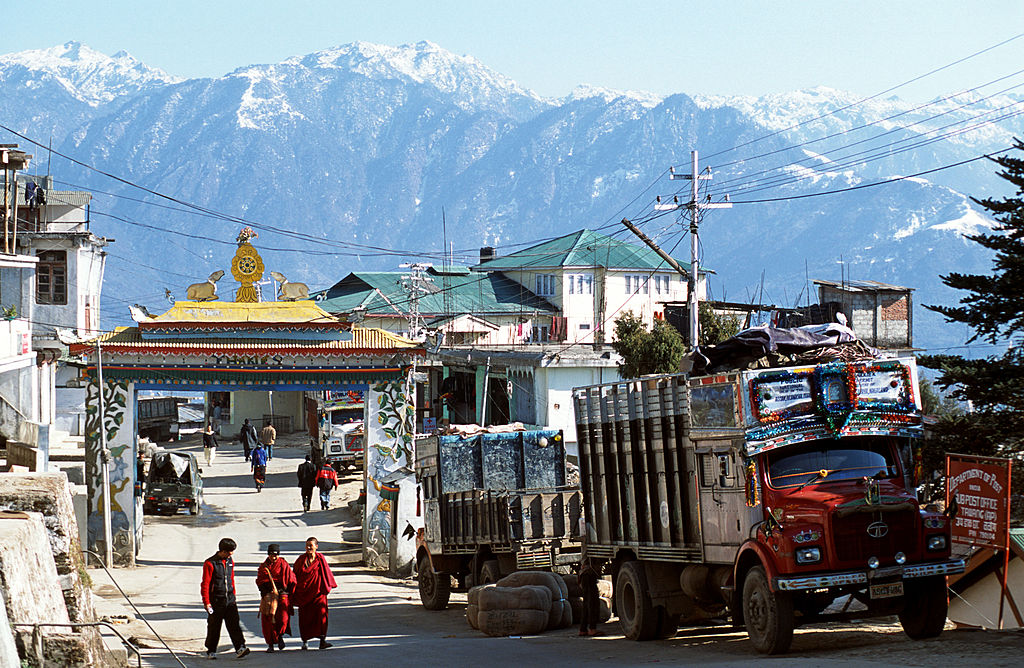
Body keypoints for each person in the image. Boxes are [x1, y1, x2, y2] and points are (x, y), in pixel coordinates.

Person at [200, 537, 251, 659]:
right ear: (222, 551)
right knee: (214, 627)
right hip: (216, 601)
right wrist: (207, 602)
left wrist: (233, 596)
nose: (230, 554)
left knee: (234, 625)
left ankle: (240, 648)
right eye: (229, 552)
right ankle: (211, 651)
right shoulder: (210, 563)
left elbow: (231, 579)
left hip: (230, 600)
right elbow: (205, 584)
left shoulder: (230, 561)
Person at [291, 537, 337, 650]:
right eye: (307, 545)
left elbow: (326, 573)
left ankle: (322, 641)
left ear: (316, 546)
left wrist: (326, 587)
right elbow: (294, 575)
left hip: (318, 594)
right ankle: (305, 641)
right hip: (304, 594)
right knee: (304, 618)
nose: (308, 548)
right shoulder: (301, 560)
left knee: (321, 616)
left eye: (311, 545)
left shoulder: (320, 559)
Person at [256, 544, 296, 653]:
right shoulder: (263, 567)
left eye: (276, 555)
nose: (274, 557)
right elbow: (260, 581)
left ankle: (280, 635)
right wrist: (266, 593)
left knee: (283, 618)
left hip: (282, 593)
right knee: (269, 619)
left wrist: (285, 591)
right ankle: (270, 644)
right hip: (268, 594)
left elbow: (291, 579)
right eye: (272, 555)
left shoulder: (283, 564)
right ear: (268, 554)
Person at [578, 557, 600, 637]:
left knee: (587, 603)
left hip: (586, 574)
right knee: (593, 602)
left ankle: (583, 629)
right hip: (588, 574)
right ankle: (592, 629)